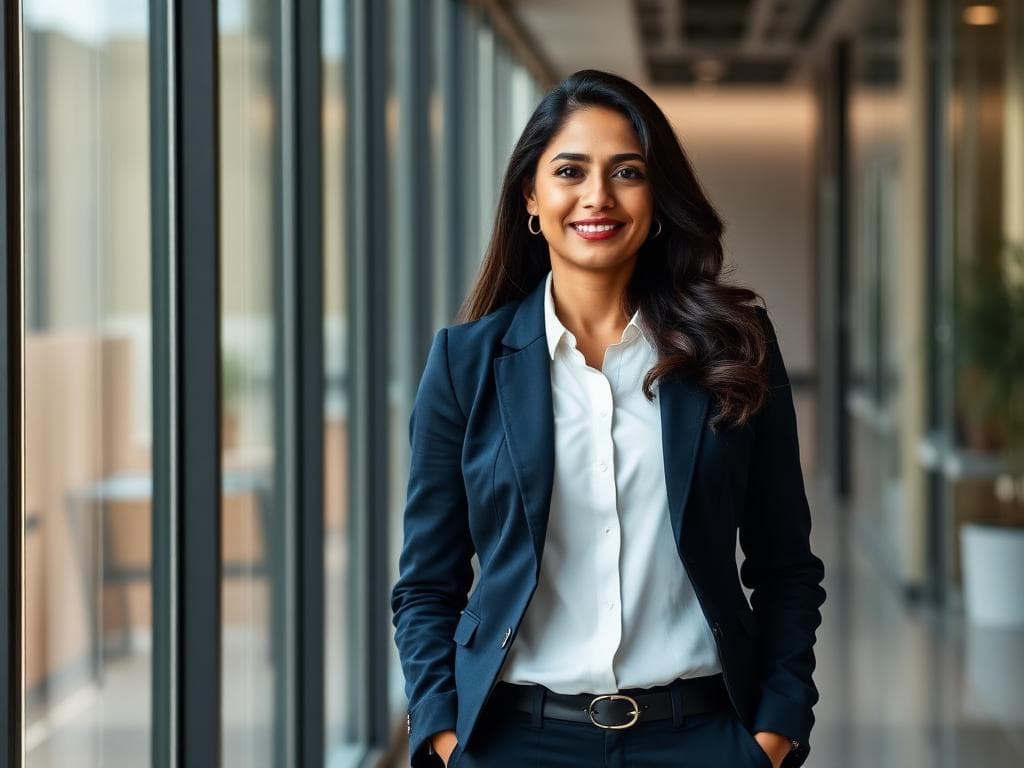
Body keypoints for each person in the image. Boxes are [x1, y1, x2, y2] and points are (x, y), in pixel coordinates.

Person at [390, 68, 826, 768]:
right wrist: (445, 738)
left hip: (703, 738)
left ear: (657, 200)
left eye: (627, 171)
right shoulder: (464, 366)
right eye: (570, 170)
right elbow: (426, 586)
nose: (597, 196)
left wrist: (774, 734)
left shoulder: (735, 346)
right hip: (514, 742)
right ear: (531, 195)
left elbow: (786, 566)